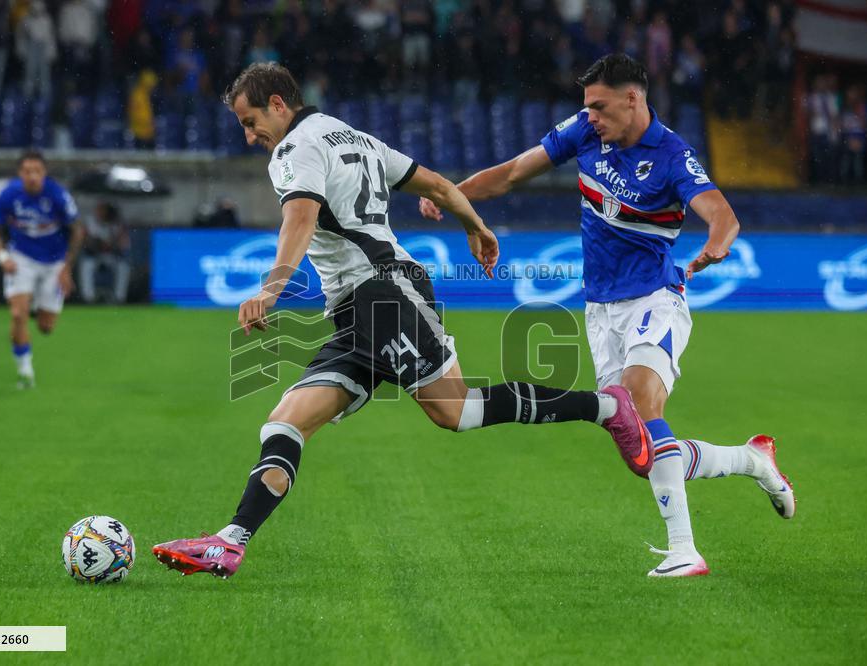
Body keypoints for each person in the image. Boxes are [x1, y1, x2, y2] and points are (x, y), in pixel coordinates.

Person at [152, 62, 652, 580]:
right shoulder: (356, 138)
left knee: (454, 411)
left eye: (251, 120)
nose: (250, 134)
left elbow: (300, 217)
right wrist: (474, 224)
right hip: (355, 311)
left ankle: (605, 407)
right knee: (284, 421)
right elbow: (434, 183)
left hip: (383, 293)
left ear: (279, 104)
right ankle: (230, 542)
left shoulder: (294, 150)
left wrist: (270, 288)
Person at [419, 53, 796, 577]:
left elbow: (722, 215)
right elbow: (511, 175)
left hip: (655, 299)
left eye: (598, 106)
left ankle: (685, 550)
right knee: (643, 453)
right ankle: (752, 460)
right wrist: (451, 194)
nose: (590, 116)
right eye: (586, 107)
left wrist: (715, 245)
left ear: (632, 99)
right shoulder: (584, 133)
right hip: (600, 312)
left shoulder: (671, 155)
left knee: (642, 400)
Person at [0, 150, 83, 388]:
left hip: (54, 262)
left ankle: (37, 305)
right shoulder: (9, 195)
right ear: (20, 173)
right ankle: (25, 371)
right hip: (22, 258)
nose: (32, 176)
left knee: (45, 327)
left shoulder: (57, 195)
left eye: (37, 171)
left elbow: (78, 230)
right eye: (27, 171)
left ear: (44, 173)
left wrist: (66, 268)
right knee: (17, 315)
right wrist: (2, 256)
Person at [78, 201, 130, 304]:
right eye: (98, 210)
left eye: (102, 210)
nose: (99, 213)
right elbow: (85, 241)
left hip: (112, 256)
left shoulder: (117, 223)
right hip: (93, 255)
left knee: (123, 267)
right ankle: (89, 298)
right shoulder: (90, 221)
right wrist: (97, 243)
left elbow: (125, 245)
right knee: (86, 266)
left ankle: (118, 298)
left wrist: (115, 243)